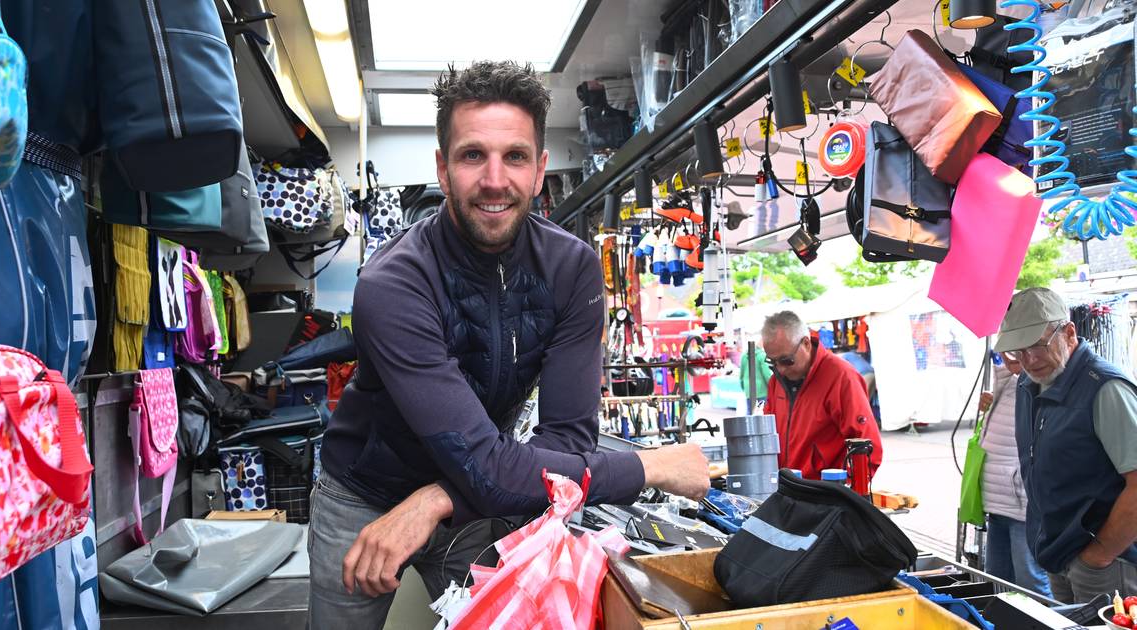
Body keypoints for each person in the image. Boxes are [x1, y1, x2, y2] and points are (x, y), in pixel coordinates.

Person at [308, 61, 710, 629]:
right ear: (443, 169)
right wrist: (648, 466)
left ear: (541, 169)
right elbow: (494, 466)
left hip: (478, 508)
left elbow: (567, 438)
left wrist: (438, 499)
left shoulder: (571, 269)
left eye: (515, 157)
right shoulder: (393, 284)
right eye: (473, 155)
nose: (495, 180)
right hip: (363, 501)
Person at [997, 287, 1137, 604]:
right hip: (1058, 552)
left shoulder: (1105, 388)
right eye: (1019, 350)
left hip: (1105, 559)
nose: (1030, 360)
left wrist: (1099, 555)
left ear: (1069, 332)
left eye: (1038, 346)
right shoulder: (1029, 383)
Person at [761, 311, 883, 480]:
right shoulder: (776, 381)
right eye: (772, 362)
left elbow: (868, 447)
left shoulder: (841, 376)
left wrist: (846, 492)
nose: (780, 369)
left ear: (806, 343)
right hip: (789, 491)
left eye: (786, 360)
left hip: (825, 495)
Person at [977, 354, 1052, 597]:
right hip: (998, 501)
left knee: (1030, 581)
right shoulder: (1007, 382)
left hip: (1022, 505)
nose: (1008, 356)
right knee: (997, 579)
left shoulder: (1044, 385)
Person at [736, 336, 772, 404]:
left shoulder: (744, 356)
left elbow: (741, 375)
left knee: (750, 412)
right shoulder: (762, 356)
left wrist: (745, 387)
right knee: (762, 412)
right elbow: (767, 375)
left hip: (748, 390)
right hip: (762, 391)